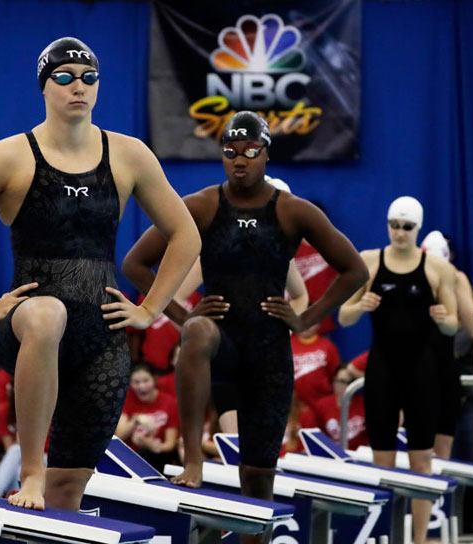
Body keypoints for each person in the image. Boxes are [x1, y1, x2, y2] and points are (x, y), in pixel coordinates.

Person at [0, 37, 200, 510]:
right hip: (29, 325)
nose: (79, 87)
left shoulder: (129, 155)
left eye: (89, 78)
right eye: (65, 77)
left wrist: (151, 309)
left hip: (101, 337)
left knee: (67, 492)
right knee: (48, 315)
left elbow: (186, 236)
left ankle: (48, 491)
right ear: (43, 87)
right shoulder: (11, 156)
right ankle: (29, 470)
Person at [122, 111, 367, 543]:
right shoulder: (201, 205)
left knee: (257, 481)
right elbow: (135, 264)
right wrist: (182, 315)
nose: (240, 160)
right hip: (220, 345)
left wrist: (306, 320)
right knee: (196, 333)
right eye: (230, 152)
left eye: (250, 152)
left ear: (266, 154)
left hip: (269, 354)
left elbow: (354, 270)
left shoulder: (293, 211)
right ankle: (194, 459)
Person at [338, 196, 458, 544]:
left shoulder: (438, 268)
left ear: (417, 229)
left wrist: (443, 319)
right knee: (382, 462)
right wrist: (359, 305)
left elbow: (453, 325)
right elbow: (343, 317)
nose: (400, 233)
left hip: (422, 372)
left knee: (422, 460)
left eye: (407, 227)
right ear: (387, 225)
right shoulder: (369, 261)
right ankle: (385, 537)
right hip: (382, 371)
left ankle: (419, 540)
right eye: (394, 225)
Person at [420, 230, 473, 461]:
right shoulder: (414, 283)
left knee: (456, 464)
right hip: (420, 388)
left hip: (459, 394)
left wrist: (453, 282)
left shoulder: (457, 282)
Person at [115, 364, 179, 468]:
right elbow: (119, 436)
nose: (141, 387)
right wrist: (136, 420)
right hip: (127, 455)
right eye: (136, 382)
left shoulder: (170, 402)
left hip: (157, 456)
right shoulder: (126, 399)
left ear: (154, 380)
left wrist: (152, 446)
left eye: (146, 381)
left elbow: (170, 444)